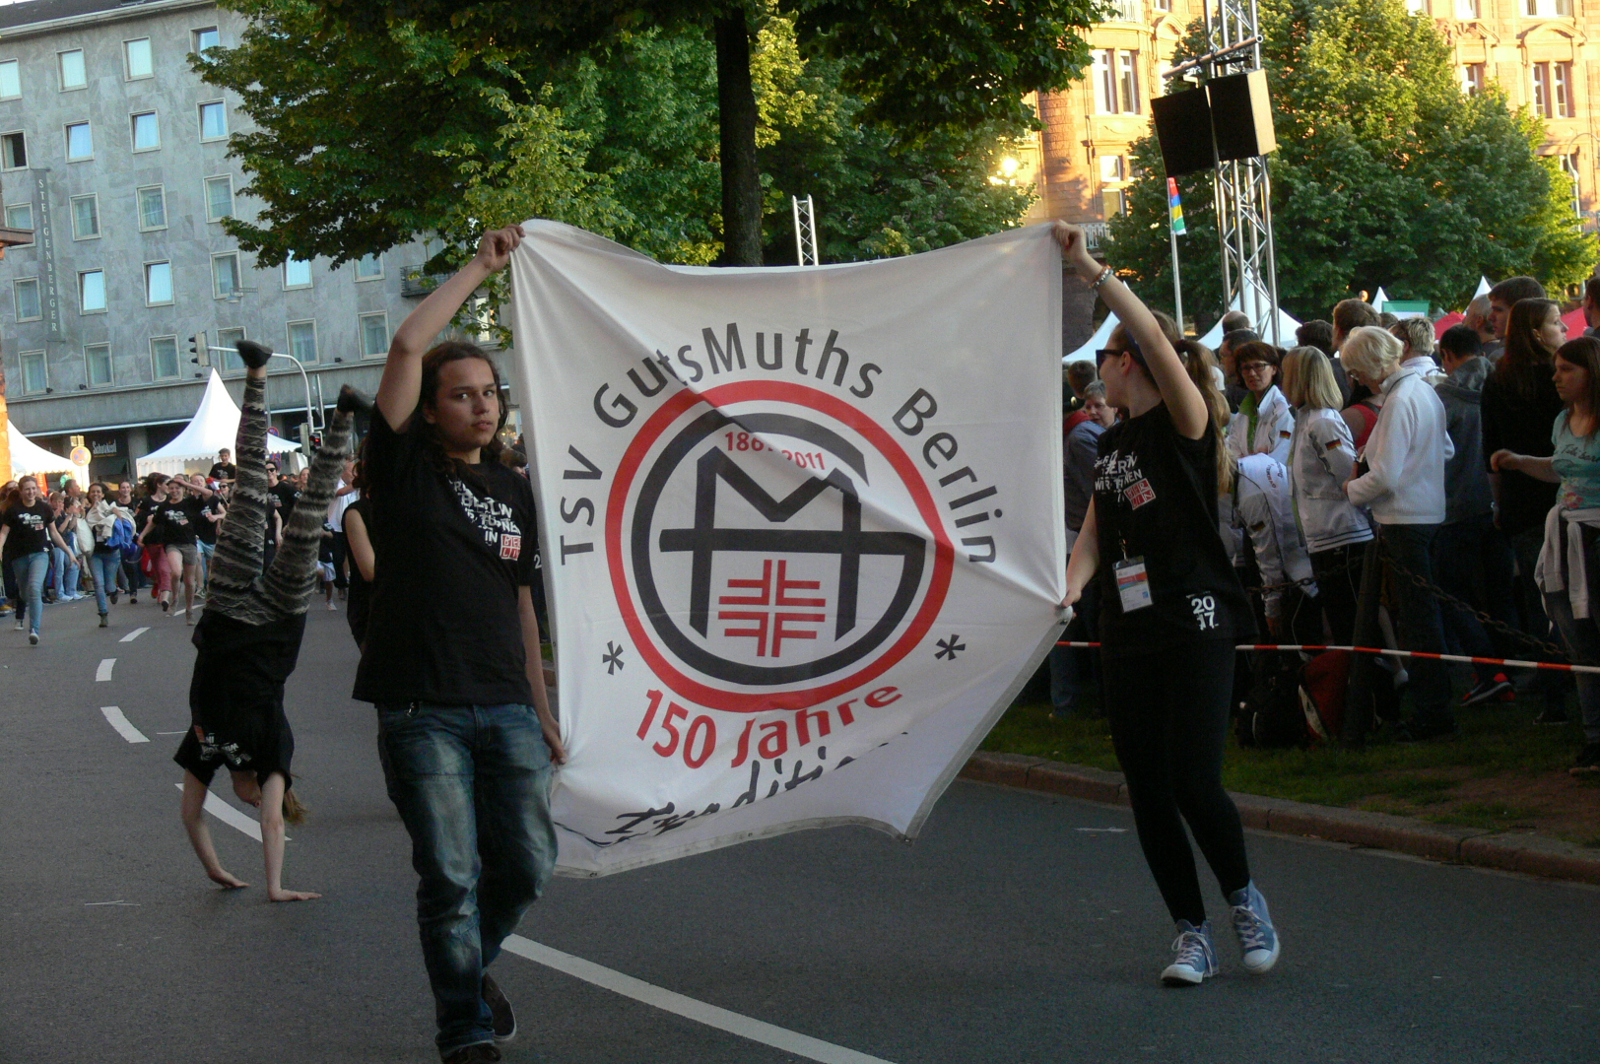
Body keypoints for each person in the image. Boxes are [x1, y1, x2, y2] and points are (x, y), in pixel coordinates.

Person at [357, 225, 562, 1063]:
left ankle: (470, 972)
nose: (481, 405)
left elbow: (522, 604)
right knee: (450, 877)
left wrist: (541, 708)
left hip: (506, 706)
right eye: (461, 394)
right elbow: (410, 344)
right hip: (421, 709)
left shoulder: (514, 487)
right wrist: (481, 267)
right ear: (430, 410)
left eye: (490, 392)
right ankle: (465, 1032)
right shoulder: (402, 468)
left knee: (530, 863)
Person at [1058, 222, 1277, 988]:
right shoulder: (1112, 445)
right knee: (1146, 788)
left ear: (1131, 363)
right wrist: (1071, 586)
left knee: (1193, 778)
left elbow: (1152, 332)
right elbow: (1095, 531)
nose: (1098, 369)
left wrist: (1089, 269)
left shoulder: (1185, 424)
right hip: (1129, 628)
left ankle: (1244, 899)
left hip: (1197, 621)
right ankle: (1191, 933)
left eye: (1107, 356)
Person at [174, 338, 361, 902]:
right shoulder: (274, 754)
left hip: (230, 607)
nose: (256, 802)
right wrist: (275, 886)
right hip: (278, 618)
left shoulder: (205, 748)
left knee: (250, 487)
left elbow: (190, 815)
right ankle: (344, 414)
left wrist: (214, 869)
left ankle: (256, 374)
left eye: (256, 800)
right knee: (308, 512)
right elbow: (274, 824)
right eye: (259, 800)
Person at [1491, 336, 1600, 775]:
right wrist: (1520, 462)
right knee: (1578, 642)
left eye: (1567, 369)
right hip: (1566, 536)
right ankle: (1595, 738)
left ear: (1592, 373)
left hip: (1596, 538)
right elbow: (1560, 467)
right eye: (1556, 368)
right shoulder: (1562, 421)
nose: (1556, 377)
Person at [1342, 326, 1457, 741]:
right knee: (1424, 618)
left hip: (1405, 520)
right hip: (1427, 514)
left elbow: (1386, 477)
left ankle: (1432, 713)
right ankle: (1434, 706)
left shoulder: (1400, 398)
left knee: (1418, 621)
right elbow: (1446, 450)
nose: (1355, 378)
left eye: (1356, 370)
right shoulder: (1422, 390)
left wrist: (1351, 489)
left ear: (1371, 364)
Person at [1482, 297, 1570, 724]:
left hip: (1524, 500)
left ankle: (1555, 696)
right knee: (1562, 600)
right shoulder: (1561, 380)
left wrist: (1499, 502)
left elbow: (1492, 453)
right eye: (1557, 322)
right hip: (1558, 498)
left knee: (1543, 603)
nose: (1564, 329)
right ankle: (1566, 692)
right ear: (1536, 331)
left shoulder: (1498, 380)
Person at [1433, 325, 1517, 705]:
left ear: (1447, 356)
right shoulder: (1503, 386)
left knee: (1452, 592)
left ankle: (1488, 670)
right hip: (1498, 503)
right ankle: (1511, 668)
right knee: (1500, 592)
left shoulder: (1443, 399)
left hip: (1456, 507)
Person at [1283, 347, 1372, 644]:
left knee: (1352, 627)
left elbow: (1349, 476)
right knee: (1341, 624)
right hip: (1324, 537)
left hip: (1342, 536)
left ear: (1298, 378)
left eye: (1286, 375)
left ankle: (1370, 675)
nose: (1282, 383)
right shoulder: (1305, 419)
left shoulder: (1322, 421)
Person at [1049, 379, 1114, 719]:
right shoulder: (1077, 435)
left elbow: (1101, 493)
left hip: (1085, 544)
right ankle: (1092, 702)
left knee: (1087, 625)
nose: (1094, 411)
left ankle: (1094, 703)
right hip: (1082, 542)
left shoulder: (1077, 438)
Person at [0, 475, 76, 644]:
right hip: (19, 556)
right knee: (24, 592)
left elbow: (54, 533)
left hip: (40, 554)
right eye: (27, 489)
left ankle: (34, 629)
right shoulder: (13, 510)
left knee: (34, 588)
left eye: (33, 488)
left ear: (37, 490)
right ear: (21, 491)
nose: (31, 492)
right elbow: (4, 532)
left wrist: (68, 552)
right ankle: (25, 599)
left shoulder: (44, 508)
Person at [143, 475, 208, 622]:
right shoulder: (165, 506)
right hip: (172, 544)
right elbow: (154, 522)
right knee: (176, 572)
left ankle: (189, 610)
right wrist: (142, 535)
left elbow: (208, 493)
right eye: (171, 488)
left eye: (177, 488)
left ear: (183, 489)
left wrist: (187, 484)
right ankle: (175, 599)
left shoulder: (190, 502)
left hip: (189, 543)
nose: (174, 491)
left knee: (190, 581)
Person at [1226, 341, 1293, 463]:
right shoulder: (1244, 412)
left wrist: (1246, 461)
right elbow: (1232, 452)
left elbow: (1277, 461)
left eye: (1258, 366)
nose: (1252, 373)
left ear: (1274, 369)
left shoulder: (1282, 410)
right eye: (1246, 368)